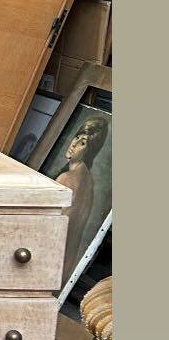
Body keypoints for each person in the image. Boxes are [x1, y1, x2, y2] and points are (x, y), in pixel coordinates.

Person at [55, 112, 109, 282]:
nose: (75, 144)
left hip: (46, 260)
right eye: (77, 137)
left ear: (90, 150)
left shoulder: (67, 179)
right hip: (64, 269)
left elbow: (50, 228)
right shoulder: (89, 182)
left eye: (83, 143)